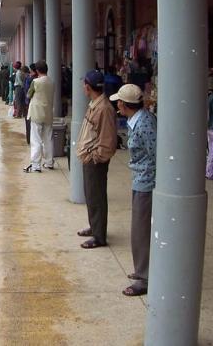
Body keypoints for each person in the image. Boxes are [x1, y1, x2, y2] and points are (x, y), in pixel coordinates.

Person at [111, 84, 156, 296]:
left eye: (118, 101)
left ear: (124, 104)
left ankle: (144, 278)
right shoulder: (136, 120)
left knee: (141, 232)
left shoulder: (145, 124)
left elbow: (156, 155)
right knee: (140, 230)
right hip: (140, 180)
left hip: (147, 183)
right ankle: (142, 270)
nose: (116, 104)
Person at [75, 70, 118, 248]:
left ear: (87, 87)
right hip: (89, 159)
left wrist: (95, 158)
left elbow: (108, 141)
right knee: (91, 195)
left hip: (95, 161)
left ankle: (99, 236)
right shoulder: (96, 104)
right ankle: (94, 226)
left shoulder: (104, 108)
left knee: (97, 196)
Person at [24, 60, 54, 173]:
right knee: (48, 139)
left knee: (36, 139)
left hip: (37, 113)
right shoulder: (52, 81)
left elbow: (29, 94)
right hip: (48, 113)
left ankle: (36, 165)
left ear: (37, 71)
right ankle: (49, 162)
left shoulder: (35, 82)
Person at [24, 63, 38, 144]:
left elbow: (27, 92)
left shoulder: (30, 79)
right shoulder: (39, 78)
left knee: (29, 122)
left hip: (29, 103)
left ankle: (29, 139)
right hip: (37, 104)